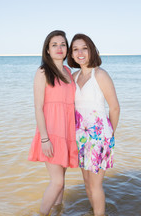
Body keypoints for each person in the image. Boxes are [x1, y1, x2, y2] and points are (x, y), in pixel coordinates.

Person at [67, 33, 120, 216]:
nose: (80, 52)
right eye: (75, 49)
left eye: (84, 48)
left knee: (96, 185)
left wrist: (109, 136)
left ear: (91, 50)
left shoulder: (101, 75)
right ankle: (94, 212)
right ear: (71, 54)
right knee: (87, 183)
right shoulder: (73, 76)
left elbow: (114, 108)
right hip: (80, 135)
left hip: (99, 136)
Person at [28, 30, 78, 215]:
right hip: (51, 134)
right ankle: (41, 213)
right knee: (57, 181)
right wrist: (44, 139)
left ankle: (58, 211)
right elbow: (38, 107)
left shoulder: (68, 71)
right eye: (54, 45)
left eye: (63, 44)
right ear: (47, 50)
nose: (59, 48)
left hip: (67, 132)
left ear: (67, 49)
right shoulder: (42, 72)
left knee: (62, 181)